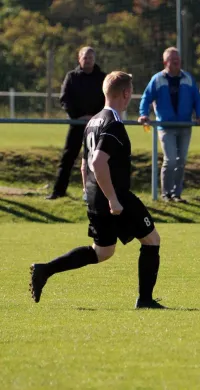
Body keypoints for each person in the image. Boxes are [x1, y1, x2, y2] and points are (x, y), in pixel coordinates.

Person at [30, 71, 165, 309]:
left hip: (95, 195)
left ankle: (45, 270)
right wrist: (113, 199)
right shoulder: (113, 124)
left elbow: (84, 164)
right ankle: (145, 300)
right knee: (152, 240)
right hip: (115, 195)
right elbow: (97, 163)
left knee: (102, 252)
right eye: (130, 92)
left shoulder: (92, 122)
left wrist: (87, 193)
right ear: (125, 93)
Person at [139, 47, 200, 203]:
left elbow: (197, 99)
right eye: (172, 60)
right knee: (170, 160)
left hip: (184, 126)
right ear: (165, 62)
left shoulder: (188, 78)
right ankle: (166, 193)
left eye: (178, 59)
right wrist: (144, 114)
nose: (176, 62)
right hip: (165, 126)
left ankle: (177, 194)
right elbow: (146, 98)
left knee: (181, 160)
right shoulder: (157, 79)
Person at [47, 47, 106, 200]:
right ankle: (58, 192)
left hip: (96, 125)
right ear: (79, 58)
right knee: (67, 158)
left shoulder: (102, 78)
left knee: (97, 160)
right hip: (76, 124)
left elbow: (107, 99)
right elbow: (65, 99)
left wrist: (95, 117)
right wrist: (77, 116)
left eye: (91, 58)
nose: (88, 60)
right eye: (85, 58)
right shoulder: (72, 77)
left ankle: (98, 194)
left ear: (95, 59)